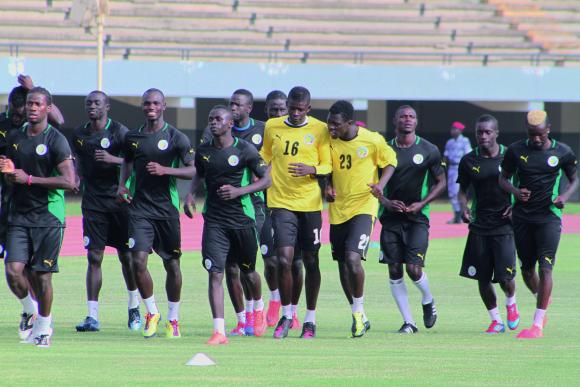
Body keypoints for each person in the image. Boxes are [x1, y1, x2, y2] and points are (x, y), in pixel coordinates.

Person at [184, 105, 271, 345]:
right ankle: (219, 331)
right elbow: (199, 175)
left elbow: (267, 180)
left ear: (230, 123)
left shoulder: (245, 150)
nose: (213, 123)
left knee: (248, 271)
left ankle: (259, 308)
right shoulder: (203, 151)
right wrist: (190, 195)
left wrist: (239, 191)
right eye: (210, 119)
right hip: (214, 220)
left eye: (218, 119)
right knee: (216, 272)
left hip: (243, 219)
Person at [0, 87, 75, 347]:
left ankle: (44, 327)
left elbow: (70, 181)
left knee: (42, 276)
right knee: (13, 271)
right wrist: (9, 173)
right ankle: (30, 310)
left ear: (47, 108)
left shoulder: (56, 140)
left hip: (48, 216)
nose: (31, 108)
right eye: (29, 104)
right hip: (19, 216)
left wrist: (29, 179)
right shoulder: (14, 137)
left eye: (37, 104)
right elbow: (12, 175)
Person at [117, 88, 195, 339]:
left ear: (163, 107)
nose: (150, 106)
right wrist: (123, 184)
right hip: (140, 209)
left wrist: (165, 170)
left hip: (167, 210)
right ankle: (152, 312)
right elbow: (127, 162)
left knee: (171, 264)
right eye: (146, 103)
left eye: (155, 103)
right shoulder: (132, 137)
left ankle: (173, 318)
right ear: (142, 107)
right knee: (136, 261)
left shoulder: (176, 137)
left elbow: (193, 170)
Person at [499, 110, 578, 339]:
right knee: (526, 270)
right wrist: (515, 191)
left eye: (540, 135)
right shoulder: (515, 150)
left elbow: (575, 178)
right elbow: (502, 179)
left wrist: (564, 197)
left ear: (548, 129)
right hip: (522, 217)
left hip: (549, 217)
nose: (536, 139)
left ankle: (537, 325)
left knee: (546, 268)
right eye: (532, 134)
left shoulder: (562, 152)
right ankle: (542, 297)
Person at [260, 86, 331, 339]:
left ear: (309, 109)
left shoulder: (320, 129)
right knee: (283, 260)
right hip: (280, 202)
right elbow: (265, 156)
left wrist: (312, 169)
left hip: (310, 205)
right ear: (287, 105)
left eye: (301, 109)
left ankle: (310, 319)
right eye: (292, 108)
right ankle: (287, 314)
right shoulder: (272, 126)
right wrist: (259, 180)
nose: (296, 113)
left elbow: (327, 164)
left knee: (310, 262)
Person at [71, 90, 141, 332]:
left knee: (127, 257)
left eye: (97, 103)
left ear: (107, 107)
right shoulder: (79, 134)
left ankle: (134, 308)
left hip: (120, 201)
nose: (92, 106)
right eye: (88, 102)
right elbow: (78, 159)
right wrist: (77, 176)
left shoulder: (120, 132)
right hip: (93, 203)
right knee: (94, 256)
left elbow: (135, 162)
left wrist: (114, 159)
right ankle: (92, 315)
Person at [326, 100, 397, 337]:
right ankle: (359, 314)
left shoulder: (372, 139)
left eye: (336, 124)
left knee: (353, 258)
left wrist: (380, 186)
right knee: (342, 264)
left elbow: (391, 162)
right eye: (329, 122)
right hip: (338, 210)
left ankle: (358, 312)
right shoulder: (328, 140)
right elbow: (324, 168)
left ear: (350, 122)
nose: (331, 128)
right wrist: (327, 186)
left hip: (364, 206)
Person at [374, 105, 446, 334]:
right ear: (395, 120)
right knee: (394, 269)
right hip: (390, 219)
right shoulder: (383, 150)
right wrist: (386, 202)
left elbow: (441, 181)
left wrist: (422, 203)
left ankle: (428, 299)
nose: (407, 119)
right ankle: (409, 322)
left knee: (414, 269)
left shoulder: (429, 149)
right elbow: (373, 185)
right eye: (403, 116)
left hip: (417, 218)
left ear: (417, 122)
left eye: (412, 116)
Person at [457, 114, 520, 334]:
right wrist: (463, 207)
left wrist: (516, 206)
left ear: (496, 133)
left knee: (505, 277)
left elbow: (522, 184)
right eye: (479, 132)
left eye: (487, 132)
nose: (483, 136)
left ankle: (511, 302)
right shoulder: (468, 160)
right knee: (482, 277)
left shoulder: (510, 156)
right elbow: (462, 190)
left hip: (505, 224)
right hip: (479, 224)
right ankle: (496, 321)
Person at [1, 76, 65, 257]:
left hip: (33, 197)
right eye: (12, 113)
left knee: (31, 266)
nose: (16, 118)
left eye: (20, 115)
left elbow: (59, 121)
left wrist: (32, 87)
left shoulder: (39, 128)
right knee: (14, 265)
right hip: (9, 191)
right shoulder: (5, 125)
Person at [262, 90, 304, 330]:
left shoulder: (299, 132)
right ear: (266, 110)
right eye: (273, 110)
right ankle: (275, 299)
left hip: (294, 206)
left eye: (281, 109)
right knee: (271, 261)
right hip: (266, 206)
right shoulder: (266, 132)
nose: (277, 113)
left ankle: (293, 311)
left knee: (295, 263)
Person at [444, 121, 471, 224]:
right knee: (452, 193)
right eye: (452, 129)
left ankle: (461, 216)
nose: (453, 131)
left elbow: (468, 155)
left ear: (460, 130)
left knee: (458, 193)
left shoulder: (465, 140)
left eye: (455, 129)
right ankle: (456, 216)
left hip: (461, 168)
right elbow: (445, 157)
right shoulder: (449, 142)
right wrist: (443, 167)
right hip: (451, 168)